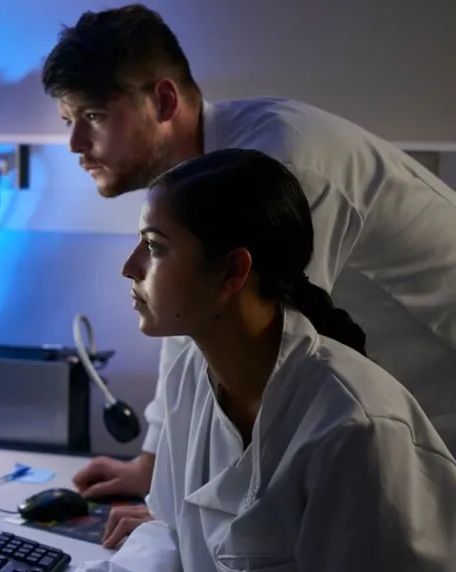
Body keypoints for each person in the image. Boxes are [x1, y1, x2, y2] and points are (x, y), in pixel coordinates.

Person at [42, 4, 456, 546]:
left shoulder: (277, 168)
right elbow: (196, 328)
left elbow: (276, 369)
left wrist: (187, 520)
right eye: (67, 121)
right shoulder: (195, 189)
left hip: (430, 408)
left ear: (163, 100)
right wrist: (159, 472)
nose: (75, 144)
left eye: (93, 115)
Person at [86, 148, 456, 571]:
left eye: (154, 246)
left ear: (232, 271)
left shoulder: (355, 429)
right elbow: (170, 531)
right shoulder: (189, 373)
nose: (129, 267)